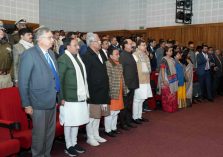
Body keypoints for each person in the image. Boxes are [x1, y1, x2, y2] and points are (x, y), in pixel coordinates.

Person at [18, 27, 60, 157]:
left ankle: (46, 154)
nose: (53, 40)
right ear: (40, 39)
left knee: (49, 133)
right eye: (50, 37)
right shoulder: (29, 54)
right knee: (39, 135)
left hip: (52, 100)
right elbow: (23, 82)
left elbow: (55, 77)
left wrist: (58, 97)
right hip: (37, 102)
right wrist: (27, 104)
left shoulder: (51, 54)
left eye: (52, 37)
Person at [58, 38, 89, 156]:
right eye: (75, 45)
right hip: (69, 97)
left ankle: (74, 142)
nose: (78, 47)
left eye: (78, 45)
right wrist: (61, 97)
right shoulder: (63, 59)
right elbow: (59, 81)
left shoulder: (77, 58)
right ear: (67, 47)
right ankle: (68, 145)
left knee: (77, 120)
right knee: (69, 121)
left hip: (80, 95)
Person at [82, 32, 110, 146]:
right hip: (93, 90)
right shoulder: (86, 56)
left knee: (99, 114)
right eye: (98, 41)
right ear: (91, 42)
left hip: (103, 88)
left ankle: (96, 134)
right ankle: (90, 137)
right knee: (92, 115)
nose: (100, 43)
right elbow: (86, 76)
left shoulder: (102, 53)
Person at [104, 48, 127, 137]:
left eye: (118, 54)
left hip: (119, 91)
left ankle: (113, 128)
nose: (118, 55)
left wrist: (125, 88)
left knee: (116, 111)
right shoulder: (108, 64)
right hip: (113, 91)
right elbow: (108, 79)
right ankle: (108, 130)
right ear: (110, 55)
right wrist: (109, 92)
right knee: (111, 112)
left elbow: (122, 77)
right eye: (116, 54)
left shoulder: (119, 64)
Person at [119, 39, 139, 130]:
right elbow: (121, 71)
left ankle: (128, 121)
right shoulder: (122, 55)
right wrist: (124, 85)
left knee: (129, 104)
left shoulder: (130, 54)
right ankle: (123, 123)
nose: (132, 46)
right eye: (130, 44)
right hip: (126, 84)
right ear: (125, 45)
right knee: (125, 104)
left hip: (132, 83)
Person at [132, 39, 152, 124]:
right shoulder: (135, 55)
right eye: (143, 45)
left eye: (145, 45)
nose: (145, 46)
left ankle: (139, 116)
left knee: (142, 99)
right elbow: (134, 69)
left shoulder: (145, 55)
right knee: (137, 99)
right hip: (139, 80)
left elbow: (148, 68)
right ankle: (134, 117)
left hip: (146, 79)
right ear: (138, 46)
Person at [157, 46, 178, 112]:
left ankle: (173, 107)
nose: (171, 52)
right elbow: (162, 70)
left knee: (173, 93)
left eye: (172, 51)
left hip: (173, 79)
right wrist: (164, 80)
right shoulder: (164, 59)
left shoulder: (172, 59)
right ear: (166, 52)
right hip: (166, 78)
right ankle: (168, 108)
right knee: (167, 94)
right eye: (170, 51)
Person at [0, 21, 13, 89]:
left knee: (7, 98)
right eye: (0, 29)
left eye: (3, 30)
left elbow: (13, 61)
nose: (2, 31)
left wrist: (11, 74)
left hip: (7, 77)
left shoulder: (8, 45)